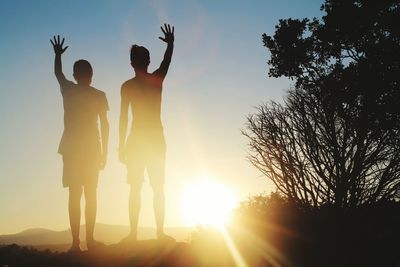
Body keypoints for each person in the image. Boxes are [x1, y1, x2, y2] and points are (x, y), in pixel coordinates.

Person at [50, 35, 109, 252]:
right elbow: (105, 125)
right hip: (92, 149)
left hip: (73, 149)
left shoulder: (69, 90)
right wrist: (105, 152)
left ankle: (76, 243)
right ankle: (89, 240)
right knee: (90, 194)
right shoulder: (99, 95)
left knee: (75, 194)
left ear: (76, 75)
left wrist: (57, 55)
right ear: (91, 76)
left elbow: (57, 73)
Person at [119, 24, 174, 242]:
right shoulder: (155, 80)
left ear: (132, 63)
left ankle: (134, 234)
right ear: (147, 61)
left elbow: (123, 118)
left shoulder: (128, 86)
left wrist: (121, 145)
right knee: (157, 187)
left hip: (137, 141)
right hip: (154, 140)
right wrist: (171, 44)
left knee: (136, 188)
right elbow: (166, 62)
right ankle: (158, 233)